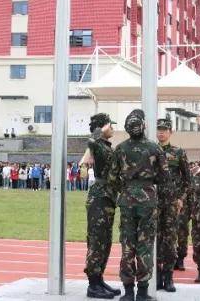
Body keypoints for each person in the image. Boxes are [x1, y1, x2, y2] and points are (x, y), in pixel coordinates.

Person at [109, 109, 169, 301]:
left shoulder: (120, 149)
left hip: (127, 200)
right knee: (145, 245)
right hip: (147, 200)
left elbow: (112, 177)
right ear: (143, 126)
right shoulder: (155, 148)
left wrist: (126, 189)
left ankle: (128, 292)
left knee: (127, 245)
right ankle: (142, 292)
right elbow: (164, 177)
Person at [82, 113, 120, 299]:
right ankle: (93, 284)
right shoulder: (97, 144)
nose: (113, 129)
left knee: (105, 241)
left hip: (108, 198)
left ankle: (99, 279)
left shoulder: (106, 146)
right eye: (110, 126)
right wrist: (101, 129)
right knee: (97, 241)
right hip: (99, 197)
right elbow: (91, 139)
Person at [154, 117, 190, 293]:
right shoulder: (150, 151)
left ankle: (168, 277)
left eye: (164, 129)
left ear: (170, 132)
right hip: (152, 203)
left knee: (169, 241)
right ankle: (157, 276)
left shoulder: (178, 152)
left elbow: (187, 180)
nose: (161, 132)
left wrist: (181, 198)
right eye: (158, 129)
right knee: (154, 239)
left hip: (171, 204)